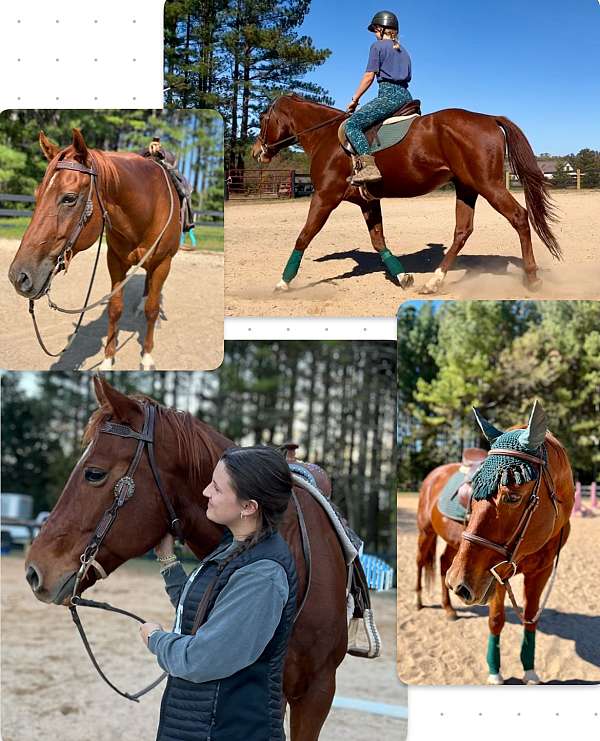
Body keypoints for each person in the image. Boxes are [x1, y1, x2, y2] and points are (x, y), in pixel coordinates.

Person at [139, 446, 298, 741]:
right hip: (203, 724)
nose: (205, 492)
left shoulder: (262, 575)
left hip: (224, 728)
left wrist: (156, 640)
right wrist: (167, 562)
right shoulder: (236, 547)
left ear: (248, 506)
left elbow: (202, 659)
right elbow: (205, 610)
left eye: (216, 487)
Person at [345, 10, 413, 184]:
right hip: (407, 97)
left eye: (375, 30)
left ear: (382, 29)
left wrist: (355, 100)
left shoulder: (378, 47)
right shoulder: (404, 51)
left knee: (352, 125)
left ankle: (369, 167)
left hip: (389, 96)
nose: (375, 35)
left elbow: (369, 76)